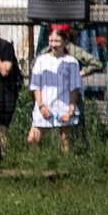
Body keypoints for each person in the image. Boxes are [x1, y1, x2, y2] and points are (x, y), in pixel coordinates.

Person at [27, 24, 84, 152]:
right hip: (44, 105)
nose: (54, 44)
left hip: (63, 105)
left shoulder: (71, 62)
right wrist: (41, 105)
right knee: (32, 139)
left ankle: (65, 166)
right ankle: (32, 165)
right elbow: (35, 85)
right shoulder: (41, 60)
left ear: (65, 41)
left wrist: (70, 109)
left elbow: (75, 88)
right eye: (51, 41)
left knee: (65, 140)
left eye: (57, 41)